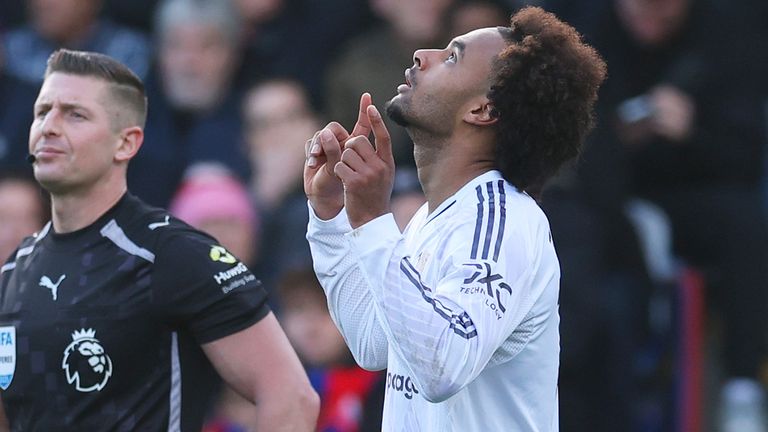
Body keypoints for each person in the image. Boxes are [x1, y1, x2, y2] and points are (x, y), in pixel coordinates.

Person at [305, 6, 606, 431]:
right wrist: (333, 216)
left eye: (451, 57)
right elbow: (373, 342)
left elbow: (443, 365)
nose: (421, 55)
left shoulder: (503, 222)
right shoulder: (432, 217)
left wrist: (373, 220)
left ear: (483, 110)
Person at [0, 49, 318, 430]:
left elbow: (291, 397)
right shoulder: (13, 272)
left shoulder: (171, 255)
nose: (49, 127)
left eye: (75, 114)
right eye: (42, 111)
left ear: (126, 143)